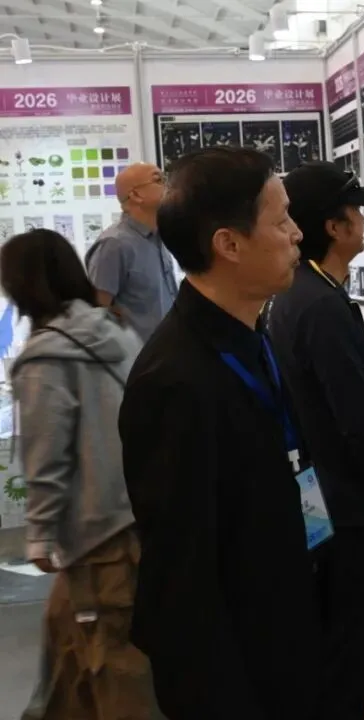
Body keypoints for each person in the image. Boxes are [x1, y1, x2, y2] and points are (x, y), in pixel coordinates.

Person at [118, 147, 320, 719]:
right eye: (281, 220)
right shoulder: (175, 379)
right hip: (233, 672)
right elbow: (181, 574)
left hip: (283, 632)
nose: (297, 233)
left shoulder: (251, 332)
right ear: (228, 244)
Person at [266, 161, 364, 717]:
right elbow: (358, 419)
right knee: (347, 647)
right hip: (344, 506)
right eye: (356, 211)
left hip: (317, 496)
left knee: (328, 642)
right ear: (334, 227)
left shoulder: (298, 294)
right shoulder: (324, 307)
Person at [1, 229, 156, 720]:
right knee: (68, 656)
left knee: (113, 667)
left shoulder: (44, 359)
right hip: (137, 520)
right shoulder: (116, 332)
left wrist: (40, 534)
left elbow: (47, 458)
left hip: (97, 539)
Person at [86, 163, 178, 341]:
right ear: (136, 195)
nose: (168, 185)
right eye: (158, 180)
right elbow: (96, 312)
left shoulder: (158, 237)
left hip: (167, 350)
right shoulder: (114, 244)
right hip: (136, 355)